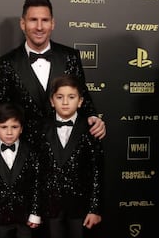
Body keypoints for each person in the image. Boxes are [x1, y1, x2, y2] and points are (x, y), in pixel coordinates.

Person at [0, 0, 106, 151]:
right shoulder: (7, 63)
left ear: (52, 23)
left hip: (65, 151)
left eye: (45, 20)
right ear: (22, 23)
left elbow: (83, 98)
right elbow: (1, 112)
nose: (39, 27)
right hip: (26, 153)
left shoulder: (70, 57)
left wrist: (94, 118)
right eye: (33, 20)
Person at [39, 74, 104, 238]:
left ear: (81, 101)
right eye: (60, 97)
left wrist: (94, 208)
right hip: (49, 207)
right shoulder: (40, 128)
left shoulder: (92, 129)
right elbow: (36, 171)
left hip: (80, 207)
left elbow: (98, 172)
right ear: (52, 101)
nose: (66, 102)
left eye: (71, 97)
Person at [0, 102, 41, 238]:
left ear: (21, 128)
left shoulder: (31, 152)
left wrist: (35, 212)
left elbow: (36, 184)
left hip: (25, 218)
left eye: (14, 127)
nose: (9, 132)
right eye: (3, 127)